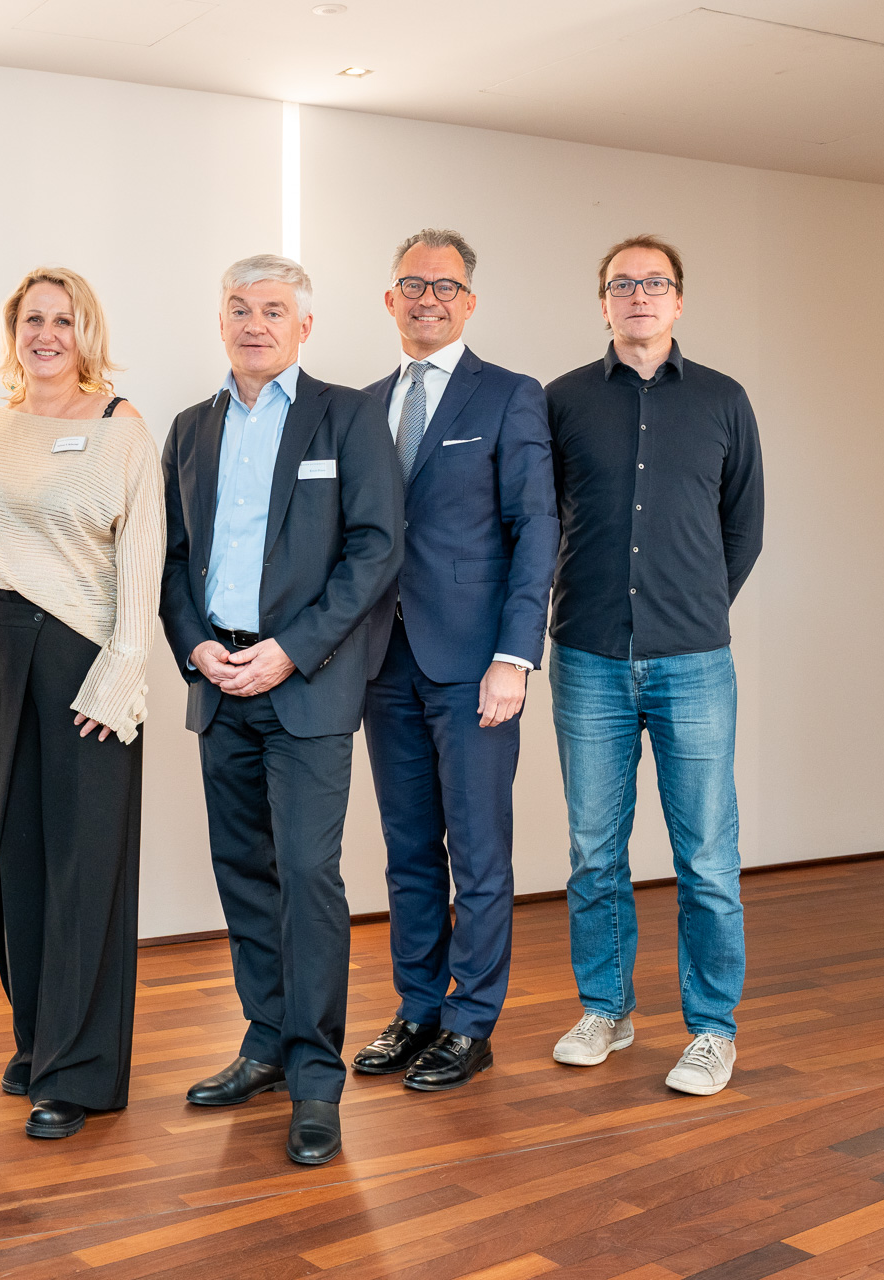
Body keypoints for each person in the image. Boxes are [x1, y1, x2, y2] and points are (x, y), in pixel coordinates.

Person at [161, 254, 402, 1165]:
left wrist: (291, 651)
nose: (254, 323)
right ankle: (264, 1042)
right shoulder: (192, 428)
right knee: (245, 873)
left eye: (273, 310)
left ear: (305, 327)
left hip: (305, 686)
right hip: (218, 685)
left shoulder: (348, 416)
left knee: (308, 875)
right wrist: (195, 645)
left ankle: (315, 1076)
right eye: (238, 308)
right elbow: (175, 559)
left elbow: (376, 550)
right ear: (220, 321)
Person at [0, 267, 165, 1141]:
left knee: (85, 865)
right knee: (18, 858)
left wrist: (122, 673)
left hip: (85, 657)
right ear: (13, 331)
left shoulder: (119, 426)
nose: (46, 334)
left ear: (85, 331)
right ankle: (37, 1039)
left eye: (63, 320)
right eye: (32, 319)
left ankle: (81, 1069)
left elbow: (144, 559)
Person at [544, 234, 764, 1097]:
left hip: (694, 661)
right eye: (621, 284)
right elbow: (536, 519)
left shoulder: (723, 399)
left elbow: (742, 527)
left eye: (655, 283)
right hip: (588, 655)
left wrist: (694, 603)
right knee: (595, 852)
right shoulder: (560, 401)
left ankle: (713, 1029)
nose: (638, 295)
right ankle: (608, 1009)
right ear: (603, 302)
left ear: (679, 301)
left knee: (707, 854)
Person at [352, 230, 558, 1091]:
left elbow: (536, 527)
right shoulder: (362, 406)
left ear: (469, 302)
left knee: (476, 850)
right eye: (412, 284)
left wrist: (515, 655)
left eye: (446, 286)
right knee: (406, 850)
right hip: (378, 661)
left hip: (475, 663)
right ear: (389, 300)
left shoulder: (510, 396)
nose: (428, 298)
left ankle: (471, 1021)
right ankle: (417, 1008)